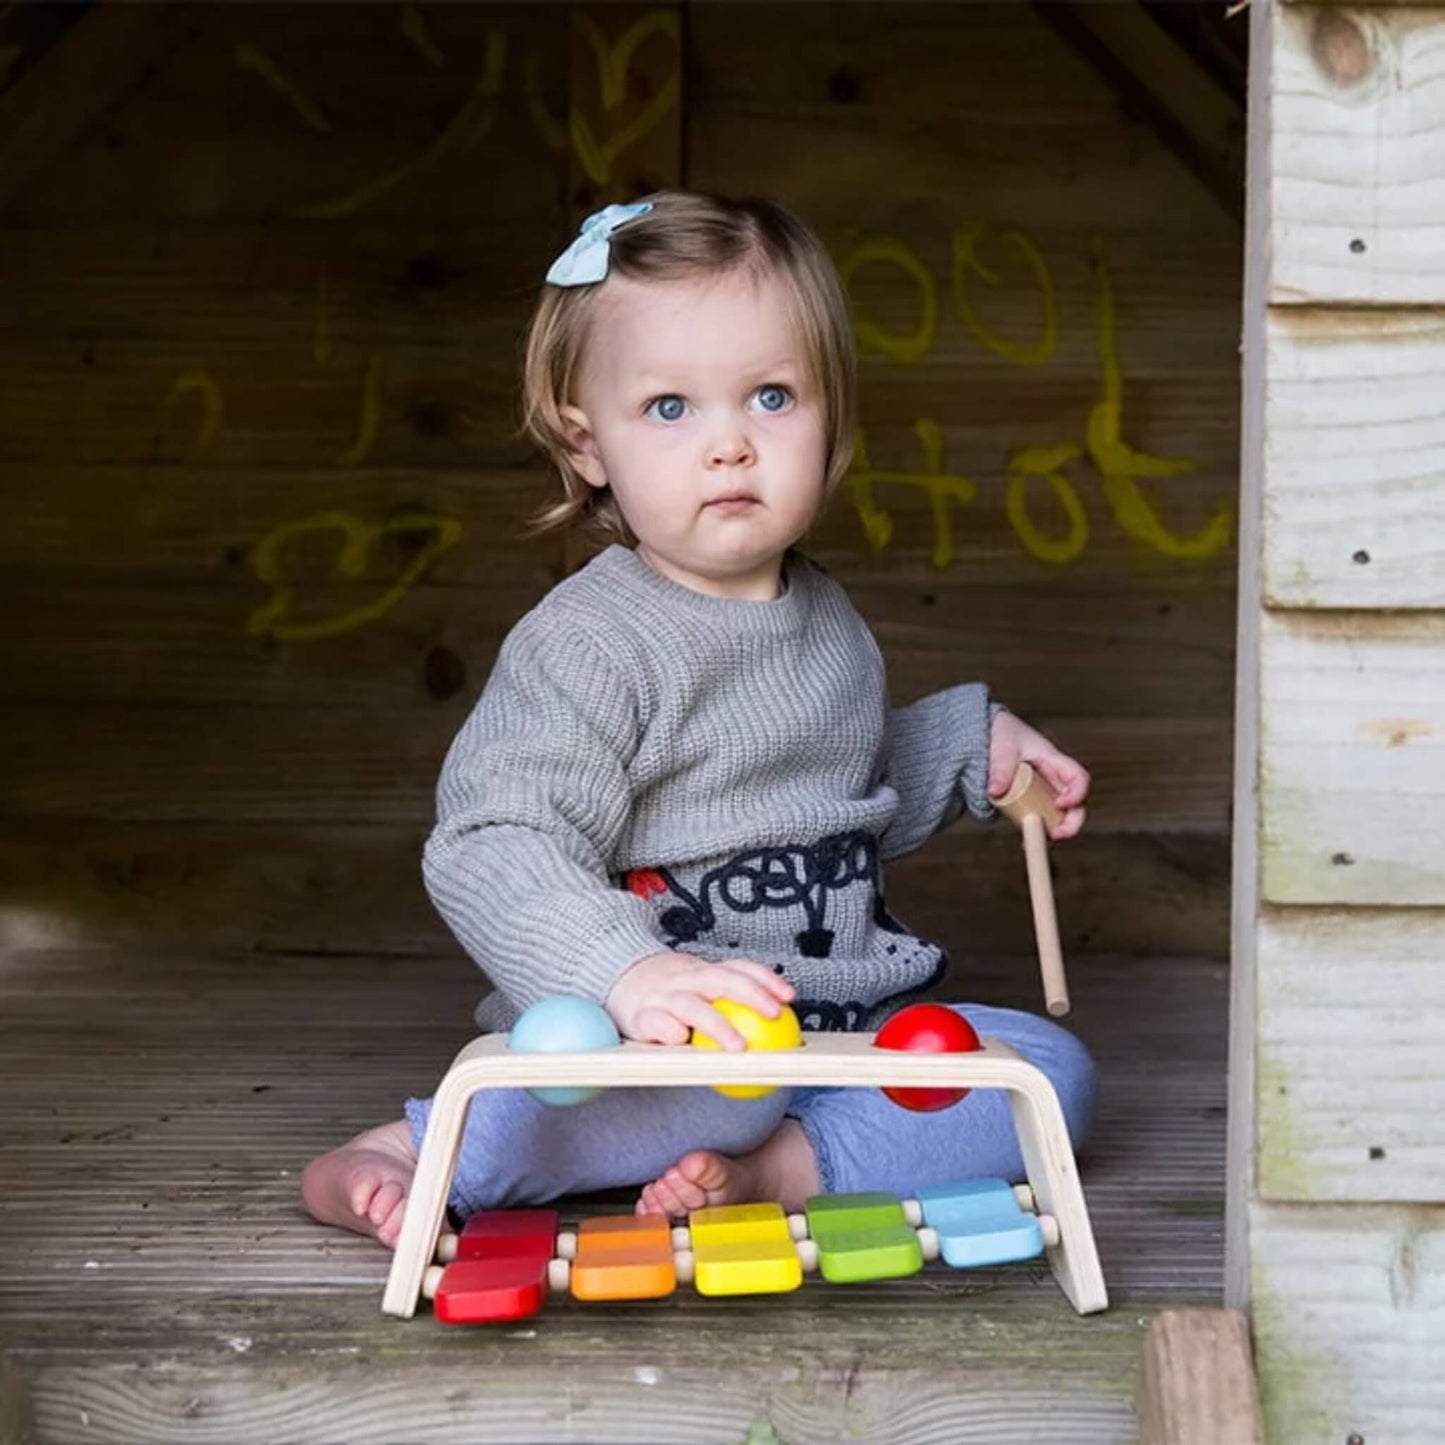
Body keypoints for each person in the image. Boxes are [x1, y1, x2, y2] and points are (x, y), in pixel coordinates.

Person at [301, 190, 1096, 1249]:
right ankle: (414, 1147)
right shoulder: (589, 644)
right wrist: (626, 974)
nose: (730, 445)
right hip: (673, 1050)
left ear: (831, 413)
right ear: (588, 443)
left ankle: (783, 1169)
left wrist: (965, 748)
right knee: (659, 1104)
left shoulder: (826, 616)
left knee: (1045, 1074)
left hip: (842, 1030)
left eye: (770, 397)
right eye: (670, 408)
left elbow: (832, 792)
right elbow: (494, 839)